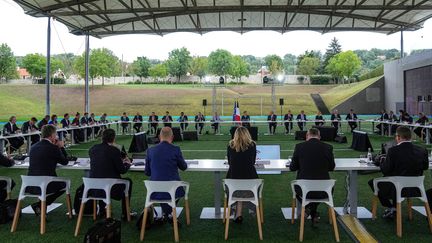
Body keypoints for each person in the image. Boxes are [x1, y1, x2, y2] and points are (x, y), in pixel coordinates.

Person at [368, 126, 428, 219]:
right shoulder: (422, 150)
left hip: (396, 187)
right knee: (394, 179)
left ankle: (391, 207)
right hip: (415, 187)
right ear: (410, 137)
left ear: (398, 137)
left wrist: (381, 162)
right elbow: (425, 167)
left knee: (373, 182)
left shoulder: (393, 150)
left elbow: (386, 170)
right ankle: (394, 208)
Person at [290, 128, 335, 225]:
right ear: (319, 137)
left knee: (297, 188)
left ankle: (309, 209)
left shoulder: (299, 147)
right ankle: (313, 212)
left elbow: (293, 167)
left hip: (304, 189)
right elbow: (331, 167)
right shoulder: (328, 147)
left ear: (307, 136)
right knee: (315, 191)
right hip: (324, 189)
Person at [145, 127, 187, 221]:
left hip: (154, 189)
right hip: (172, 188)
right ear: (172, 137)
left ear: (160, 137)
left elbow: (147, 172)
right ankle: (167, 212)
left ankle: (166, 212)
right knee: (175, 187)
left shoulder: (150, 151)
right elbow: (183, 167)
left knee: (163, 185)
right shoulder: (175, 149)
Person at [89, 129, 133, 219]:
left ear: (102, 138)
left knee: (102, 176)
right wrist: (127, 164)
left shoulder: (92, 149)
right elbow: (122, 170)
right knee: (128, 181)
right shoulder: (114, 150)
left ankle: (102, 210)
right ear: (113, 138)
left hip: (94, 186)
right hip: (111, 187)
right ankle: (126, 213)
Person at [27, 125, 69, 215]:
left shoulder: (33, 147)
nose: (56, 136)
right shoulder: (53, 148)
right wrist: (61, 147)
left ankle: (40, 205)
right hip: (46, 183)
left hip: (30, 183)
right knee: (65, 185)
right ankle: (40, 205)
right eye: (56, 134)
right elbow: (65, 161)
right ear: (52, 135)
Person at [226, 126, 258, 223]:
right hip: (250, 184)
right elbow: (252, 161)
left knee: (238, 185)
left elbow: (229, 162)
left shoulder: (230, 146)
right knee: (242, 184)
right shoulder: (252, 145)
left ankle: (238, 213)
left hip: (233, 183)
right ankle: (239, 213)